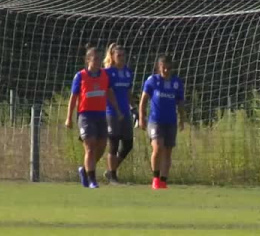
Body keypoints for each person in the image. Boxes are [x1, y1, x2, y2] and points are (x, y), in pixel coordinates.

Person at [65, 46, 123, 189]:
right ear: (88, 60)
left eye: (99, 59)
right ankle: (92, 180)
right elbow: (73, 98)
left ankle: (85, 171)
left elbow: (110, 93)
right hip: (85, 115)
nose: (98, 61)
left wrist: (117, 109)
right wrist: (69, 118)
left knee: (102, 146)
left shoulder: (104, 75)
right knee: (90, 147)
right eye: (95, 59)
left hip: (100, 114)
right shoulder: (81, 76)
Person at [139, 55, 185, 189]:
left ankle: (163, 181)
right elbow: (143, 101)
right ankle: (155, 179)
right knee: (158, 147)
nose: (166, 70)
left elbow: (180, 102)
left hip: (170, 121)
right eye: (163, 68)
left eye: (168, 68)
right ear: (159, 67)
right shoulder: (152, 81)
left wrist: (182, 119)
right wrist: (142, 117)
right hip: (155, 121)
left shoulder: (176, 82)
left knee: (168, 151)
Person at [103, 43, 138, 184]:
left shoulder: (128, 72)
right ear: (112, 56)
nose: (122, 58)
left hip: (125, 112)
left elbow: (128, 92)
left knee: (128, 144)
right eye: (119, 55)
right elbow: (107, 92)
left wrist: (133, 108)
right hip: (111, 112)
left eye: (124, 55)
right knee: (113, 143)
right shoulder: (107, 72)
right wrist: (115, 110)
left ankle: (110, 171)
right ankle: (113, 176)